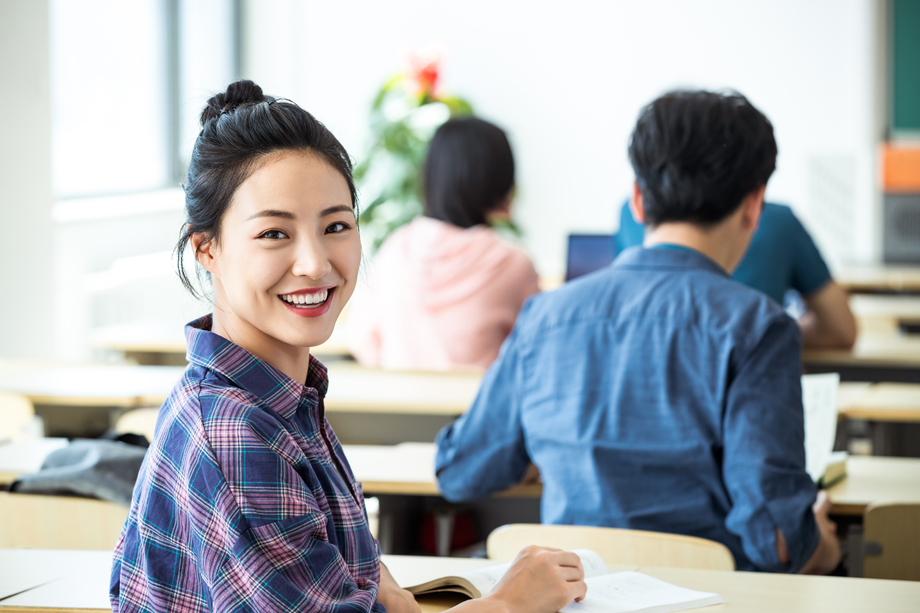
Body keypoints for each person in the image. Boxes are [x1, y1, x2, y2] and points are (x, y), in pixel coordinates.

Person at [109, 80, 587, 613]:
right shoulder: (234, 431)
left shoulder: (282, 397)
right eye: (273, 234)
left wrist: (380, 589)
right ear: (208, 248)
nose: (315, 263)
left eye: (336, 225)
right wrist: (512, 604)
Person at [435, 90, 842, 575]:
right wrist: (827, 546)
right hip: (711, 602)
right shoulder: (758, 326)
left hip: (577, 599)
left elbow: (460, 470)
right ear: (754, 205)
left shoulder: (546, 316)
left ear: (638, 200)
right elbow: (775, 540)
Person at [348, 117, 539, 371]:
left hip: (398, 405)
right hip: (477, 408)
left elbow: (363, 343)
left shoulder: (395, 247)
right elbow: (538, 349)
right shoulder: (512, 262)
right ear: (500, 180)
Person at [616, 200, 857, 350]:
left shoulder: (629, 217)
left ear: (638, 197)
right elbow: (841, 329)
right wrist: (772, 333)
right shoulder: (778, 222)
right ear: (753, 203)